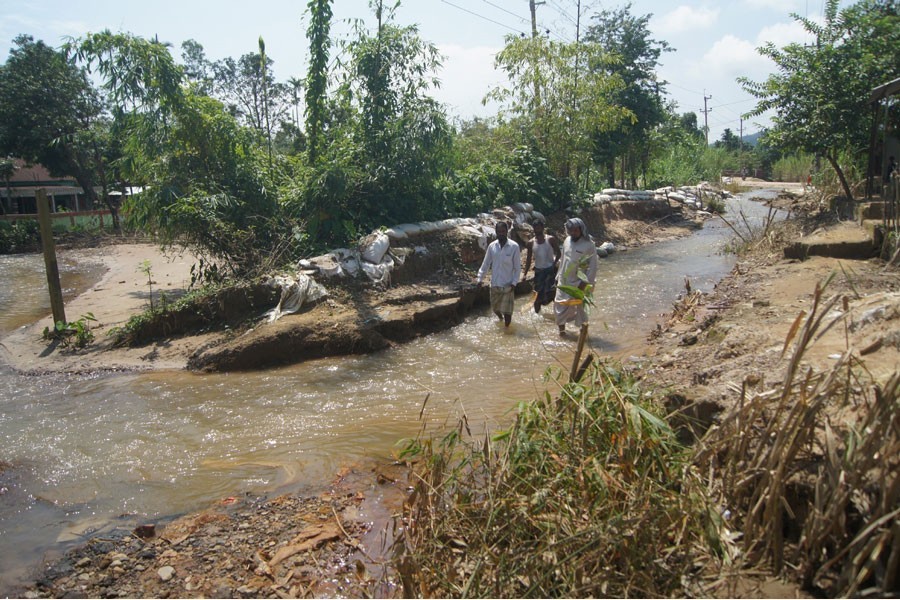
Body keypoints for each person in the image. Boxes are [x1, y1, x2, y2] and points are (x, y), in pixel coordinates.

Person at [554, 217, 599, 336]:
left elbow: (593, 266)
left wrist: (584, 283)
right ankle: (562, 333)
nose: (573, 233)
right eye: (571, 231)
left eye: (575, 230)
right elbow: (563, 259)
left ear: (581, 229)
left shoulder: (589, 245)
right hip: (564, 280)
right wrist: (558, 275)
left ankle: (583, 335)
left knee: (582, 310)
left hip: (580, 282)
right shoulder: (567, 241)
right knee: (559, 305)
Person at [476, 221, 521, 327]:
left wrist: (514, 283)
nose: (501, 233)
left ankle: (507, 331)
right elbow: (486, 263)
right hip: (495, 284)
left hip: (508, 285)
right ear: (496, 232)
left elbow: (517, 268)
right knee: (495, 308)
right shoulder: (492, 246)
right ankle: (500, 318)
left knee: (507, 312)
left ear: (507, 232)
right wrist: (479, 279)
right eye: (499, 231)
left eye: (503, 231)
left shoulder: (514, 247)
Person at [523, 219, 561, 313]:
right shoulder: (531, 243)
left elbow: (559, 253)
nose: (537, 231)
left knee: (553, 294)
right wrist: (525, 274)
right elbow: (528, 259)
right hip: (539, 272)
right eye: (535, 229)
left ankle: (558, 315)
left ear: (543, 228)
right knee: (537, 297)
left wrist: (554, 263)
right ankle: (537, 317)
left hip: (550, 271)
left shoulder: (550, 239)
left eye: (539, 228)